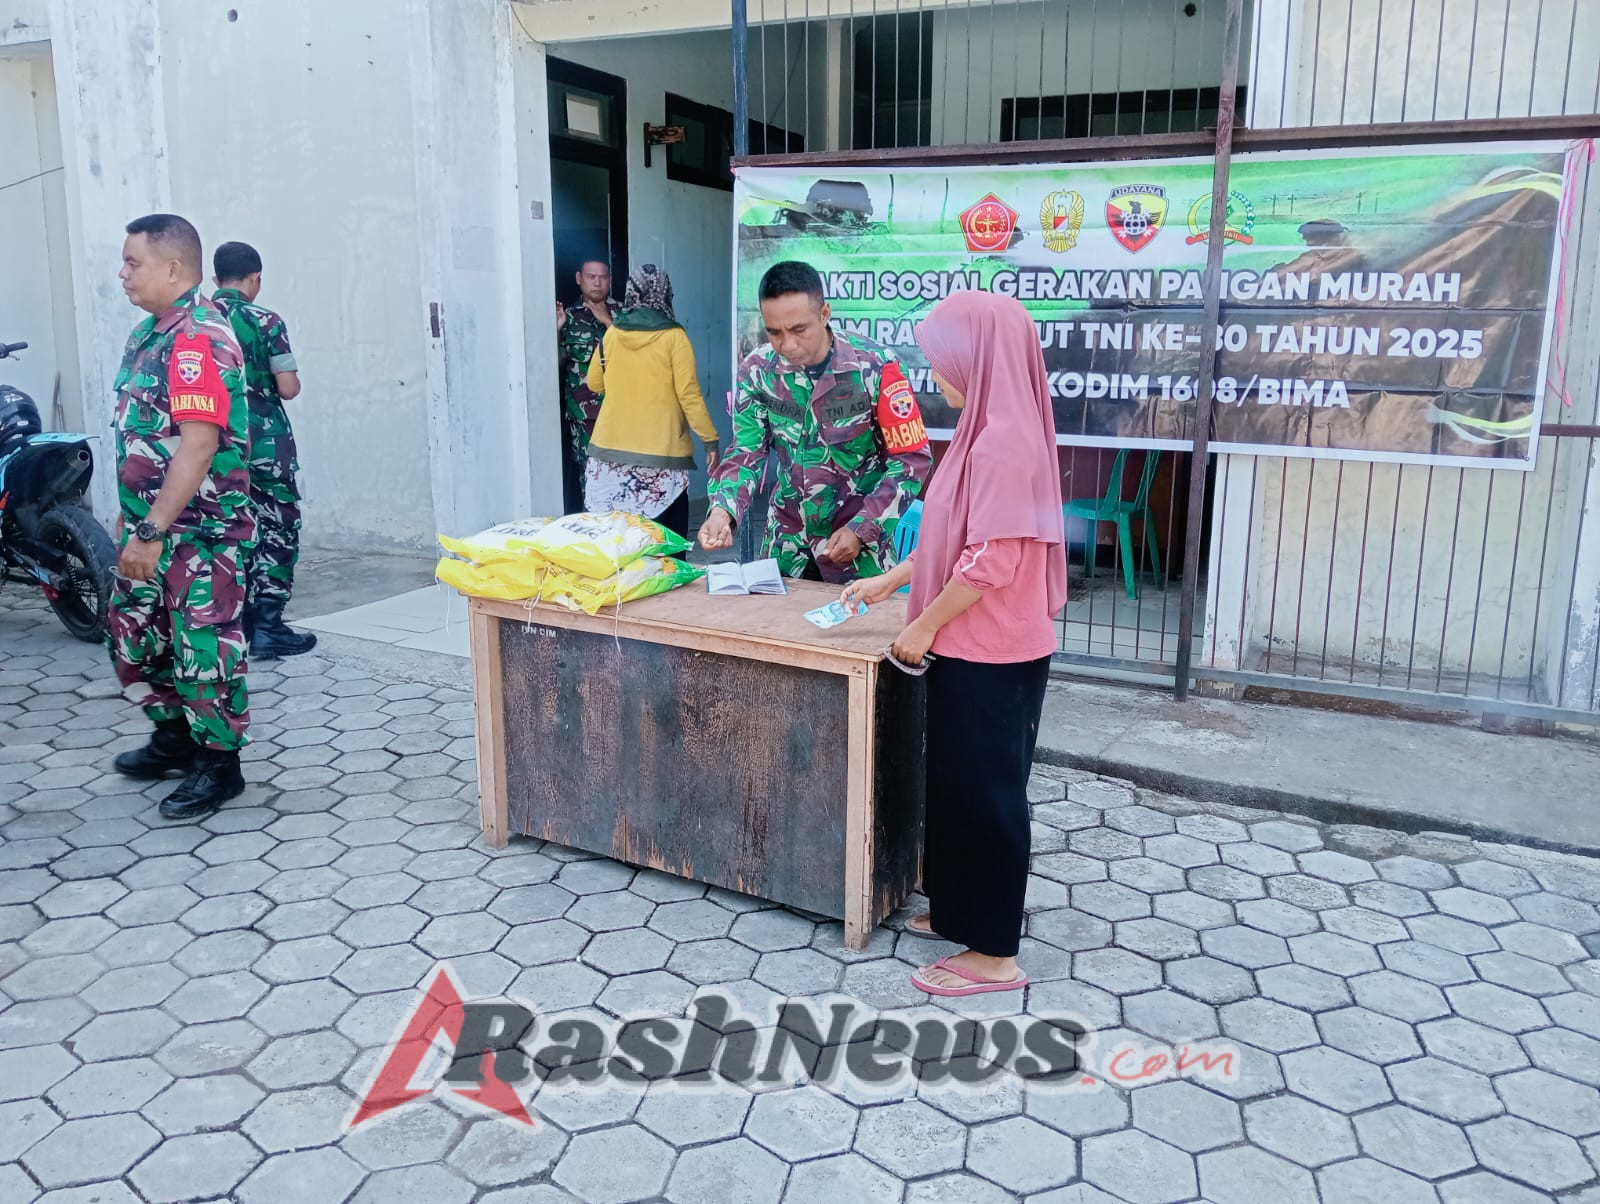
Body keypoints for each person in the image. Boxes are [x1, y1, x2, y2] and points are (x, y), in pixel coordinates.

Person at [843, 290, 1067, 997]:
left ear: (977, 358)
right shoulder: (981, 429)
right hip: (966, 644)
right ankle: (956, 911)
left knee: (990, 794)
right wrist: (891, 581)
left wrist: (922, 626)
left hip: (994, 650)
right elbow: (955, 537)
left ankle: (995, 954)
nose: (932, 373)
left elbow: (991, 562)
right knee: (955, 785)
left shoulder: (1004, 441)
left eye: (941, 359)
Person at [108, 214, 255, 822]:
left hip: (198, 535)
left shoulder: (198, 338)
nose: (123, 274)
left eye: (133, 262)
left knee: (203, 651)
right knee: (136, 637)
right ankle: (173, 737)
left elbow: (197, 446)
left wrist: (151, 531)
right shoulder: (149, 334)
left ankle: (219, 764)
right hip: (151, 527)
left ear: (173, 269)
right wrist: (133, 523)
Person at [699, 260, 931, 583]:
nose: (788, 345)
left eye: (799, 330)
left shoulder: (876, 367)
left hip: (858, 553)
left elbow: (911, 460)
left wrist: (863, 528)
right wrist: (722, 511)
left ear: (824, 314)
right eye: (774, 332)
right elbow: (747, 452)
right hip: (786, 548)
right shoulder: (757, 371)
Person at [211, 241, 315, 659]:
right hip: (266, 444)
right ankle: (268, 625)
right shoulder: (266, 321)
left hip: (214, 444)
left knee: (231, 527)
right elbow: (288, 387)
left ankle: (234, 622)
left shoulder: (196, 321)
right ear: (255, 278)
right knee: (277, 526)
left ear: (216, 278)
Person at [583, 266, 720, 538]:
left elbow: (594, 383)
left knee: (615, 543)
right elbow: (689, 395)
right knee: (664, 545)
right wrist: (710, 440)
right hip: (662, 459)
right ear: (665, 293)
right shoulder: (674, 337)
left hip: (609, 457)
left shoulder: (613, 333)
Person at [557, 257, 618, 515]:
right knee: (589, 480)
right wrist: (556, 331)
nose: (597, 283)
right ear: (579, 278)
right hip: (585, 418)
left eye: (603, 277)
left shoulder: (624, 315)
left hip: (621, 415)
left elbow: (637, 356)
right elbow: (555, 365)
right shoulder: (568, 317)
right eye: (591, 277)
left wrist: (608, 322)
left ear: (610, 281)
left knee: (622, 479)